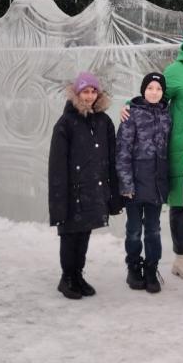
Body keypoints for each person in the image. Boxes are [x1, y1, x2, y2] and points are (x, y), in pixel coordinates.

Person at [120, 20, 183, 282]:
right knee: (180, 201)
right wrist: (128, 105)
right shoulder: (175, 71)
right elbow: (153, 94)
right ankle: (179, 256)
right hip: (180, 147)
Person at [48, 71, 121, 299]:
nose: (89, 96)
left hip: (94, 189)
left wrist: (113, 193)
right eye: (85, 92)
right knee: (70, 234)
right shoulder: (66, 123)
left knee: (84, 233)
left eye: (93, 91)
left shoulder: (104, 122)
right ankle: (66, 277)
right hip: (72, 190)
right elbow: (57, 164)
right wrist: (59, 199)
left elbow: (111, 158)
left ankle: (78, 274)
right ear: (76, 94)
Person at [116, 72, 171, 294]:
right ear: (143, 90)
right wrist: (126, 184)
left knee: (153, 230)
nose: (154, 92)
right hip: (136, 184)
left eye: (158, 89)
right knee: (133, 229)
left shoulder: (167, 114)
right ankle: (133, 267)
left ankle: (151, 268)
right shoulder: (132, 115)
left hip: (156, 184)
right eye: (150, 88)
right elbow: (122, 152)